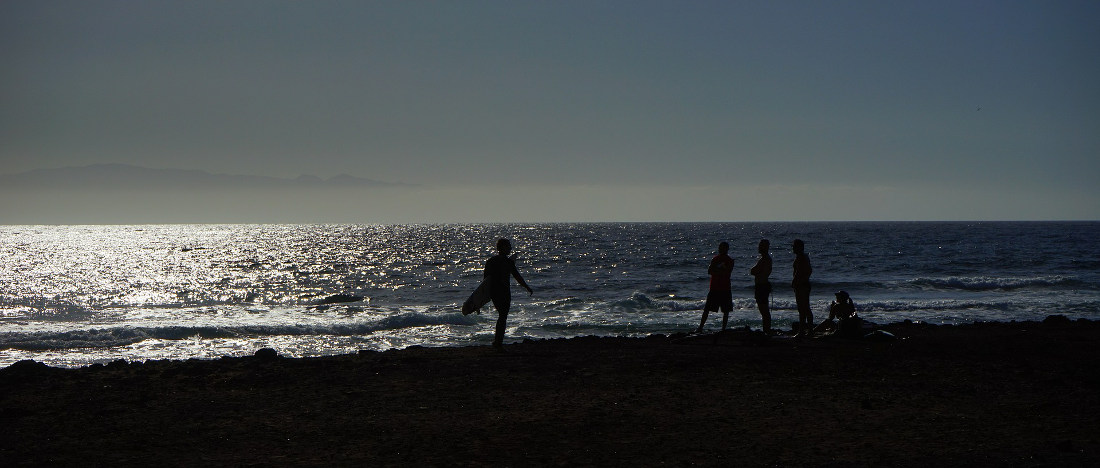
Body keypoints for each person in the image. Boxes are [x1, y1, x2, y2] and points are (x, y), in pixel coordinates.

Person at [483, 238, 533, 350]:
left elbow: (485, 280)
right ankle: (498, 343)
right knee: (503, 316)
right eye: (508, 246)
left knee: (502, 316)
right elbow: (517, 276)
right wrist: (527, 287)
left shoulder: (491, 261)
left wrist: (485, 296)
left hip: (494, 292)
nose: (510, 248)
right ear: (502, 247)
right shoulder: (508, 262)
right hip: (503, 292)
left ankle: (497, 342)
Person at [696, 241, 734, 334]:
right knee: (707, 309)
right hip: (714, 288)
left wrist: (717, 270)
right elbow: (710, 271)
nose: (720, 249)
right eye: (720, 247)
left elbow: (726, 272)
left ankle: (723, 329)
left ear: (726, 249)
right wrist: (719, 270)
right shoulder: (715, 259)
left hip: (725, 288)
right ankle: (700, 327)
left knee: (725, 311)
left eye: (722, 248)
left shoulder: (729, 260)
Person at [749, 239, 773, 334]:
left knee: (764, 310)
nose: (759, 247)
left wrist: (756, 271)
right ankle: (766, 330)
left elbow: (753, 271)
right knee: (763, 310)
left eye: (761, 245)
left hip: (762, 286)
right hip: (761, 285)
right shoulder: (764, 259)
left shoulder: (765, 259)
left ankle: (767, 330)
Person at [791, 239, 813, 336]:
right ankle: (805, 330)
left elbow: (799, 271)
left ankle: (804, 331)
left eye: (794, 246)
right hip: (803, 284)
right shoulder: (803, 257)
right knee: (804, 308)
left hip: (802, 285)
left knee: (803, 308)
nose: (793, 248)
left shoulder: (801, 257)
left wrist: (796, 281)